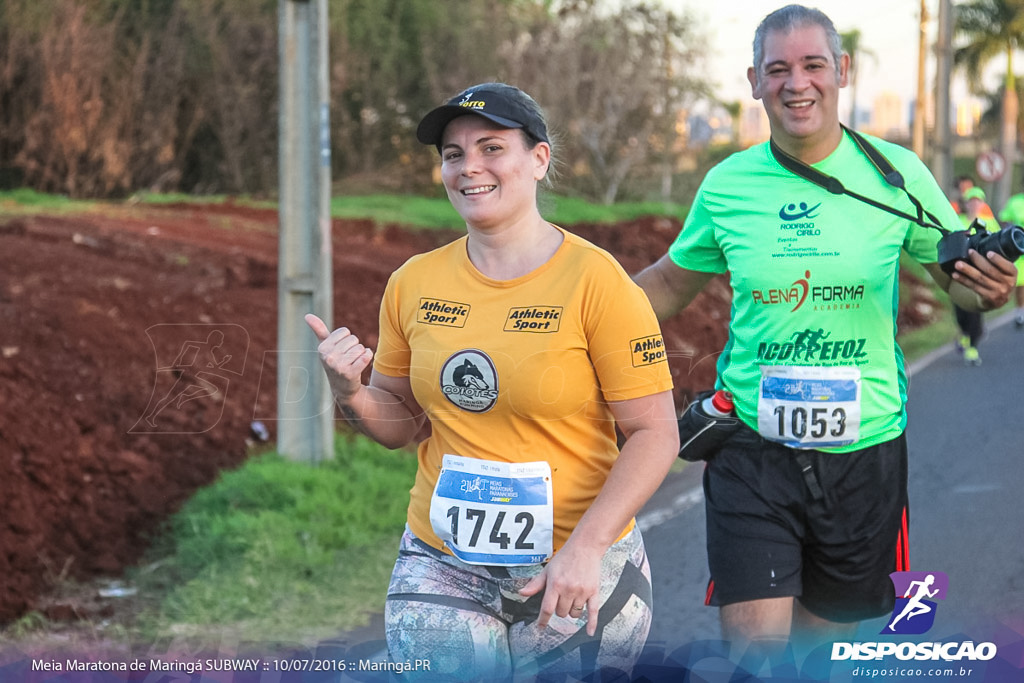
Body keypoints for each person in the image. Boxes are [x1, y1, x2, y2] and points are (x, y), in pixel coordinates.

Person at [633, 4, 1017, 662]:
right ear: (754, 80)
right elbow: (669, 283)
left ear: (841, 71)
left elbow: (950, 278)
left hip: (863, 451)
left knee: (821, 659)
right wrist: (570, 310)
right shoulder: (728, 184)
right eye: (777, 69)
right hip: (751, 444)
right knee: (754, 655)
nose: (796, 83)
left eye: (812, 65)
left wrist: (987, 287)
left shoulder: (899, 175)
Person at [306, 82, 678, 680]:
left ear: (538, 159)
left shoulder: (599, 282)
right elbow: (401, 424)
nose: (469, 167)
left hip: (574, 561)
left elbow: (655, 434)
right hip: (443, 559)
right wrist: (350, 392)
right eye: (453, 154)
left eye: (490, 147)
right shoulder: (413, 283)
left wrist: (586, 548)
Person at [952, 186, 996, 364]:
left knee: (974, 311)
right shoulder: (957, 220)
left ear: (982, 203)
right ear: (967, 203)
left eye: (978, 200)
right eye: (972, 200)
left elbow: (998, 242)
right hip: (958, 271)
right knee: (960, 311)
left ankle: (973, 348)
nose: (975, 204)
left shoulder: (989, 222)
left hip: (979, 273)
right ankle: (964, 333)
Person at [997, 190, 1024, 328]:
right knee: (1020, 283)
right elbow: (1003, 218)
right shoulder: (1015, 202)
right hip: (1020, 246)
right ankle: (1020, 311)